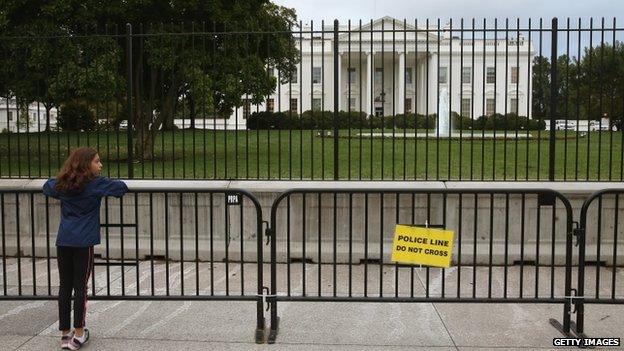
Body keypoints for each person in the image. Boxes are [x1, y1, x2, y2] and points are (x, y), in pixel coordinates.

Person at [43, 147, 128, 350]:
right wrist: (103, 181)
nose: (100, 165)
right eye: (97, 162)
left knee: (65, 286)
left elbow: (47, 186)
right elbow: (121, 187)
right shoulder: (96, 184)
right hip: (83, 243)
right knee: (81, 287)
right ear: (86, 165)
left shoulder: (63, 184)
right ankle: (79, 333)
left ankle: (65, 334)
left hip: (63, 240)